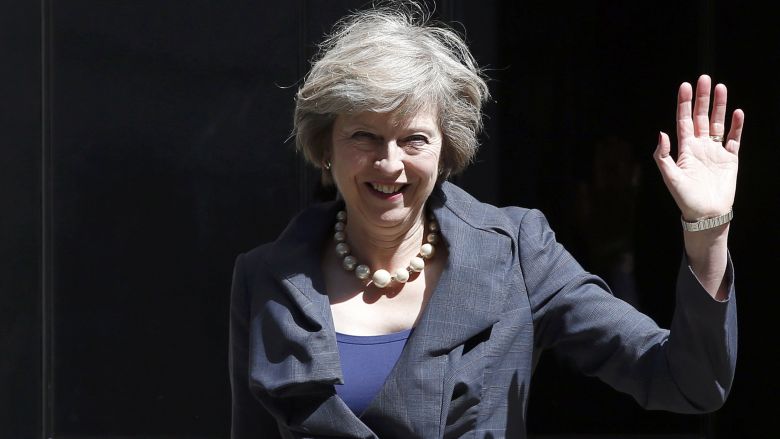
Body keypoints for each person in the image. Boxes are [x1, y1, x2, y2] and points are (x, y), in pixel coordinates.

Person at [229, 3, 742, 438]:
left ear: (446, 150)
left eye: (414, 139)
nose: (389, 163)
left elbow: (687, 382)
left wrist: (708, 230)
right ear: (325, 148)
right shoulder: (266, 279)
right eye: (364, 136)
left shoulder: (518, 252)